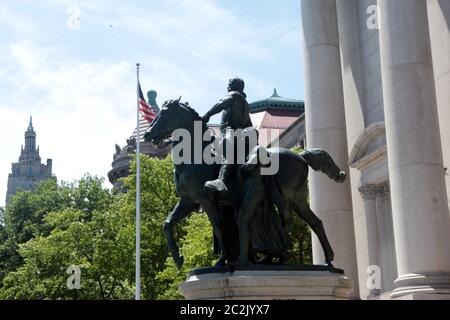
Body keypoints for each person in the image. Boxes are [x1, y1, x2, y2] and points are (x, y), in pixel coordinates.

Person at [202, 78, 253, 194]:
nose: (227, 87)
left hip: (231, 130)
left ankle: (222, 181)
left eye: (229, 85)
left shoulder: (234, 95)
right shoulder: (245, 103)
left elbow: (221, 103)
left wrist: (207, 115)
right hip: (241, 132)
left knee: (227, 150)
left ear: (234, 86)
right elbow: (249, 124)